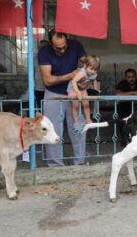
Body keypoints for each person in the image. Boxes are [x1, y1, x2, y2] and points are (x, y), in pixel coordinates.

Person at [38, 29, 87, 167]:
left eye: (65, 46)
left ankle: (80, 163)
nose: (63, 50)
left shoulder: (75, 45)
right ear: (50, 44)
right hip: (53, 94)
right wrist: (70, 76)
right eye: (59, 48)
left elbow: (89, 63)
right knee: (52, 131)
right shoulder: (44, 52)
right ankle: (56, 165)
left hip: (73, 93)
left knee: (77, 128)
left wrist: (87, 76)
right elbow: (48, 80)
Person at [67, 55, 101, 125]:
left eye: (95, 70)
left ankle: (88, 120)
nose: (93, 71)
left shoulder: (94, 73)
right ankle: (76, 121)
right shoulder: (82, 72)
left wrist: (96, 89)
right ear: (85, 66)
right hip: (73, 89)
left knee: (86, 105)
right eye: (91, 69)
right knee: (75, 106)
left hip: (82, 89)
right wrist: (77, 93)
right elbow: (73, 81)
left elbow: (94, 80)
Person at [34, 40, 49, 109]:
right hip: (38, 87)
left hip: (49, 88)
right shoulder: (35, 59)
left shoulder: (51, 58)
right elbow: (32, 72)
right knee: (40, 107)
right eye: (41, 47)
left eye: (44, 47)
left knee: (49, 107)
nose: (42, 49)